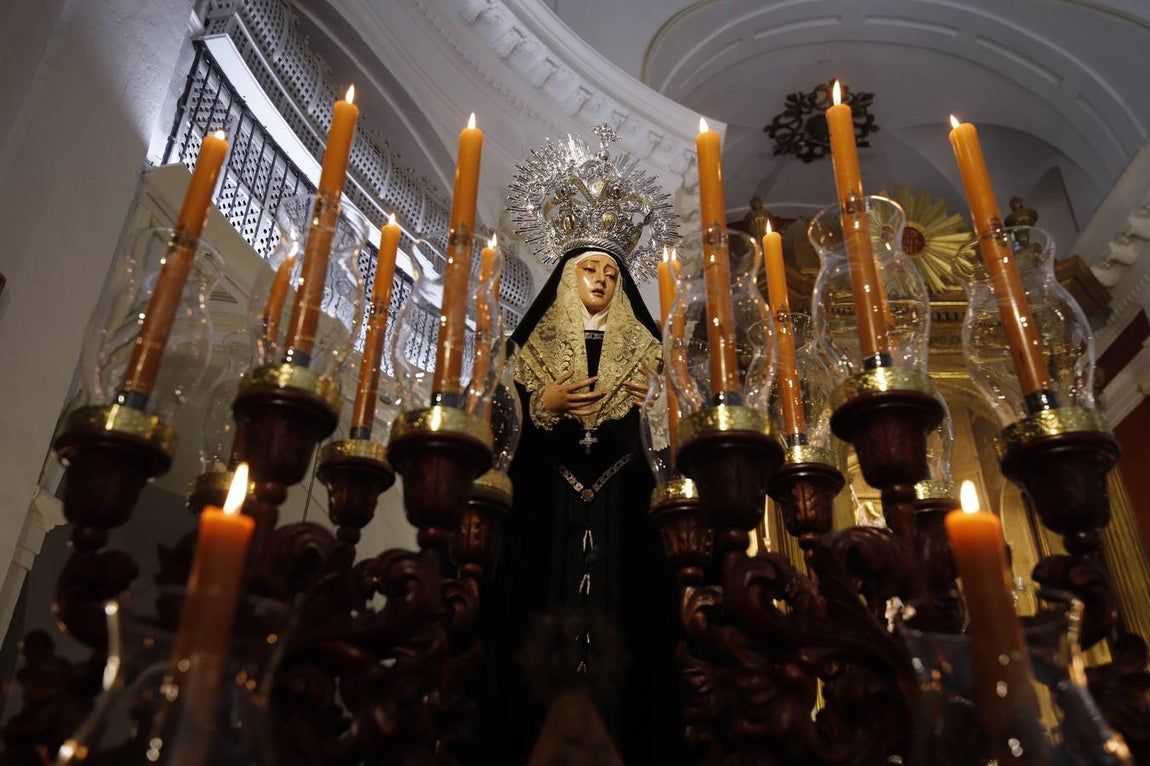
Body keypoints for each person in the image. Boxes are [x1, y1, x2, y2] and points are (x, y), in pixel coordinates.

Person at [484, 126, 686, 764]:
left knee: (639, 646)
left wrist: (656, 402)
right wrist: (539, 405)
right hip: (544, 508)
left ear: (622, 286)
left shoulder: (651, 353)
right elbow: (494, 427)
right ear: (569, 278)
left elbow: (676, 433)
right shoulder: (529, 349)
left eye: (608, 270)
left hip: (628, 509)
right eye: (588, 268)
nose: (599, 278)